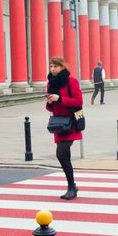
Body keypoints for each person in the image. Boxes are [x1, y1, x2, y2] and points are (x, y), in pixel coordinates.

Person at [45, 56, 83, 200]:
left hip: (71, 122)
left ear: (62, 67)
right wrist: (49, 102)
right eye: (51, 67)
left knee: (61, 153)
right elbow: (50, 107)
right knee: (63, 155)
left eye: (55, 66)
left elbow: (78, 101)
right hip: (58, 124)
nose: (52, 69)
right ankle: (72, 186)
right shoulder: (50, 83)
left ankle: (72, 186)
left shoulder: (71, 81)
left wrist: (60, 99)